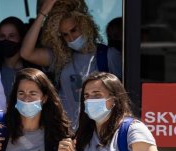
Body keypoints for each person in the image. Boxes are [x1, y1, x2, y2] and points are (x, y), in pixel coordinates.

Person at [20, 0, 122, 130]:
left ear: (85, 25)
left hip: (99, 131)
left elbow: (120, 96)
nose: (71, 38)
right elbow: (26, 53)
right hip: (67, 132)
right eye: (65, 35)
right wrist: (42, 14)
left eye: (74, 30)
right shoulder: (62, 57)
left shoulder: (108, 55)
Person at [0, 16, 32, 100]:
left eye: (11, 36)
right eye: (2, 36)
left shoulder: (33, 72)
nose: (6, 40)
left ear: (21, 38)